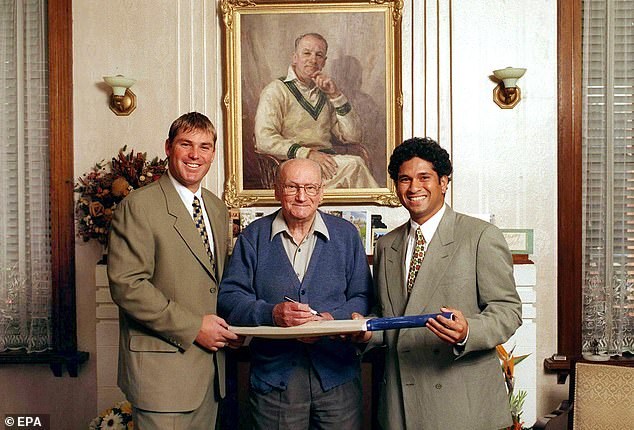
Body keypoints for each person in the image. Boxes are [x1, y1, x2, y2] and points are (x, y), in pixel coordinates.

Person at [357, 137, 522, 430]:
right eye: (404, 179)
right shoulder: (386, 245)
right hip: (400, 403)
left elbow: (508, 311)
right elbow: (390, 320)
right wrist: (366, 331)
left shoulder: (480, 236)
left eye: (424, 177)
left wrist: (468, 330)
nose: (414, 187)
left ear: (444, 182)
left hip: (462, 405)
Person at [107, 112, 241, 429]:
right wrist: (195, 327)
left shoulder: (217, 208)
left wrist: (234, 327)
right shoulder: (139, 206)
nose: (196, 155)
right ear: (169, 147)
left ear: (213, 153)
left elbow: (213, 284)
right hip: (163, 379)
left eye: (205, 146)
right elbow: (128, 286)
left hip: (210, 376)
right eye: (186, 144)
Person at [218, 158, 373, 429]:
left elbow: (363, 296)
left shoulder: (347, 235)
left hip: (338, 379)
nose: (302, 196)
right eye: (292, 187)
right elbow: (230, 299)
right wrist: (272, 314)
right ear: (277, 191)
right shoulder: (252, 236)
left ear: (321, 192)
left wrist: (330, 320)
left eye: (310, 188)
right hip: (274, 384)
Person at [254, 32, 379, 189]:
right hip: (293, 166)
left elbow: (353, 137)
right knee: (355, 165)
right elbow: (264, 140)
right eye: (306, 53)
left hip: (326, 164)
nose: (313, 60)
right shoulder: (275, 90)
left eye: (319, 55)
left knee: (354, 166)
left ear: (324, 62)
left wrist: (336, 95)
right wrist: (307, 154)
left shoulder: (325, 92)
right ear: (295, 57)